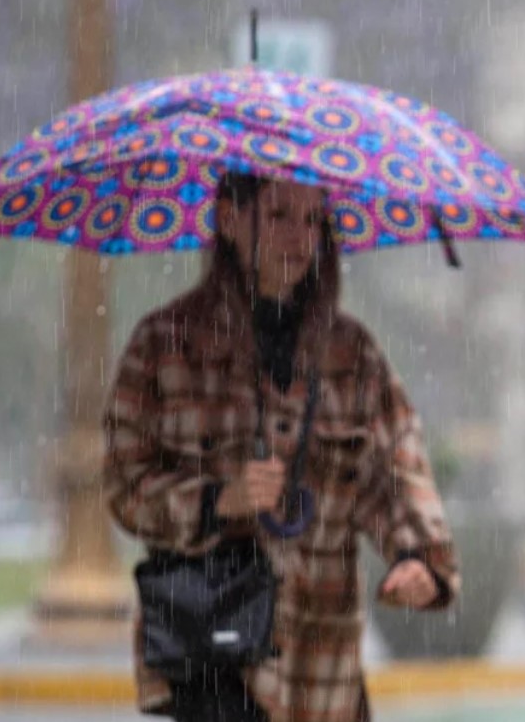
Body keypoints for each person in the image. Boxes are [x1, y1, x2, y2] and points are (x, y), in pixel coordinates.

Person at [104, 172, 459, 722]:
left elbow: (394, 466)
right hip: (213, 655)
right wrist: (218, 499)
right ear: (227, 219)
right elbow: (125, 485)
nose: (299, 238)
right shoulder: (162, 345)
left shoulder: (351, 354)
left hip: (322, 667)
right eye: (278, 216)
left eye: (313, 219)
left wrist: (417, 559)